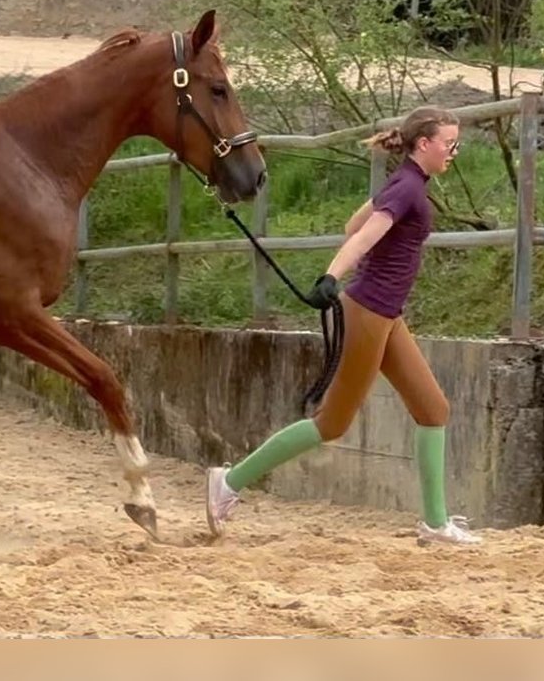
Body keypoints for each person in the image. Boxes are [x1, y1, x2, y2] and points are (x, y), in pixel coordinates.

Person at [205, 105, 481, 545]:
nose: (454, 152)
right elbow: (365, 234)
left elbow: (354, 221)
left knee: (433, 409)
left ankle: (434, 522)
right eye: (450, 144)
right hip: (369, 313)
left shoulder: (405, 183)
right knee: (332, 423)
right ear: (425, 144)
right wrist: (332, 276)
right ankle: (230, 481)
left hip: (386, 316)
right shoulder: (408, 188)